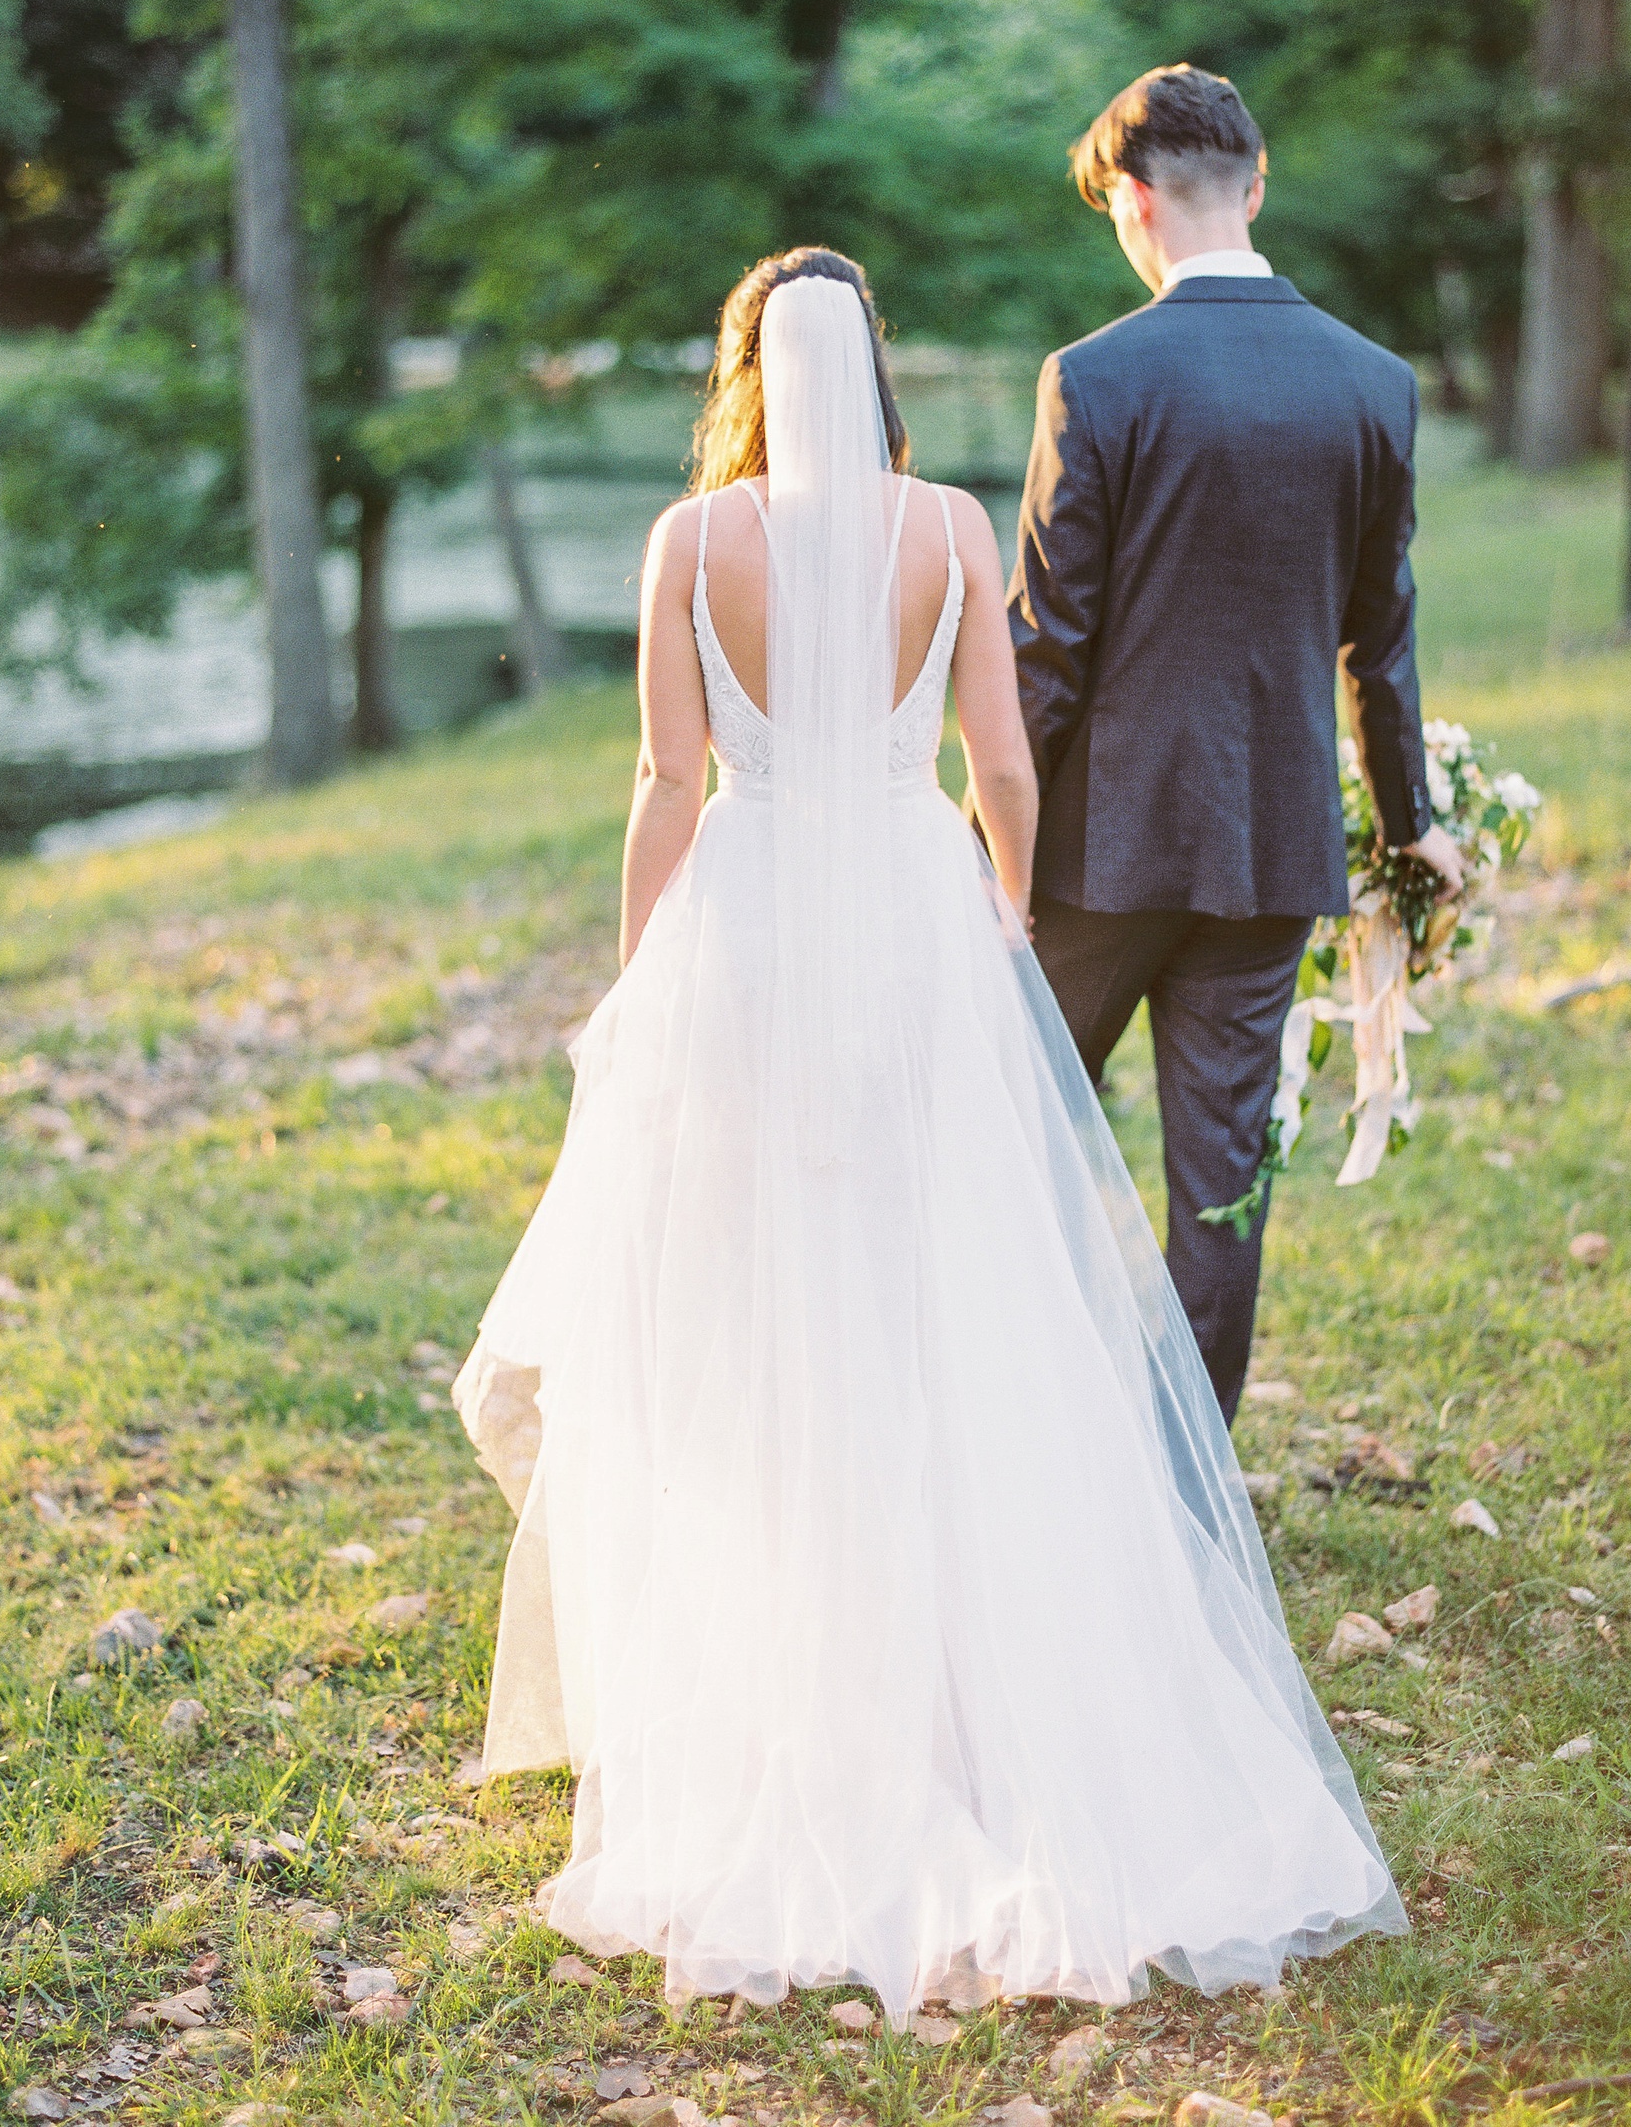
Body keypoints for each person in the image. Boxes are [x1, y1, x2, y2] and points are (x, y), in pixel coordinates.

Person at [453, 247, 1404, 2024]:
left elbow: (668, 782)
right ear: (872, 362)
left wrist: (638, 964)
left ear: (744, 365)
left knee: (752, 1298)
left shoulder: (692, 544)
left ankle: (775, 1661)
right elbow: (1007, 763)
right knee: (932, 1287)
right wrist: (1007, 917)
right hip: (908, 908)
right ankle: (965, 1670)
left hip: (747, 923)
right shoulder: (948, 525)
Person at [1009, 64, 1463, 1427]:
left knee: (1001, 1131)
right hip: (1272, 849)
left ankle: (1011, 1436)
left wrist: (987, 856)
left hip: (1093, 855)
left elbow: (1045, 649)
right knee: (1221, 1182)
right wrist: (1410, 822)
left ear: (1136, 205)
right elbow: (1378, 642)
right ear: (1255, 187)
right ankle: (1187, 1486)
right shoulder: (1375, 385)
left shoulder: (1095, 378)